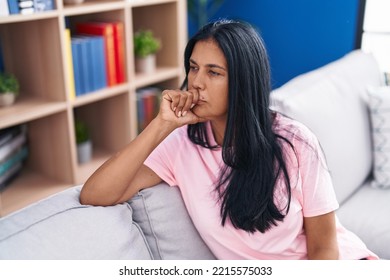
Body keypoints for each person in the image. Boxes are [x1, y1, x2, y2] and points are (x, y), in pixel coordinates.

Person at [80, 19, 378, 260]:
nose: (196, 82)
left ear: (243, 81)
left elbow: (325, 250)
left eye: (214, 72)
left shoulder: (297, 143)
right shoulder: (180, 144)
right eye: (194, 68)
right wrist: (160, 125)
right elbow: (94, 194)